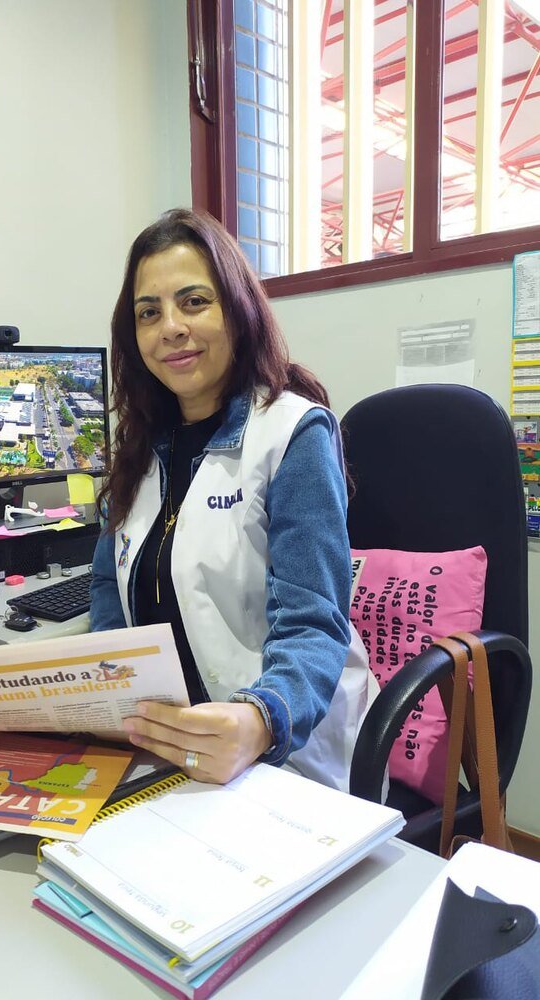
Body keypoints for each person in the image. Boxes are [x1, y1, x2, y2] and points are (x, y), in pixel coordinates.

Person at [90, 207, 377, 792]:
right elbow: (106, 588)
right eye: (149, 312)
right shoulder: (139, 451)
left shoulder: (292, 434)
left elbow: (314, 624)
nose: (170, 326)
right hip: (169, 752)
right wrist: (108, 687)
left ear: (238, 311)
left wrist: (261, 719)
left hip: (283, 749)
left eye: (193, 302)